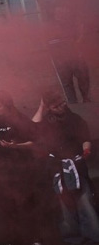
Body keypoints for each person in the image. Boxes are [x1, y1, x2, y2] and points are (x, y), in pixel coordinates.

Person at [32, 88, 99, 244]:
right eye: (55, 106)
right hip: (57, 168)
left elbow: (85, 137)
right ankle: (73, 239)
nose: (60, 106)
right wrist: (42, 106)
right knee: (65, 206)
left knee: (85, 201)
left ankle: (93, 238)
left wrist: (86, 149)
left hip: (76, 166)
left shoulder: (74, 119)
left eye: (61, 103)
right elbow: (33, 127)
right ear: (49, 108)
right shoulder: (46, 121)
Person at [0, 90, 44, 245]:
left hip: (22, 170)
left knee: (26, 205)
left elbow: (34, 143)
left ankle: (33, 240)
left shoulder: (21, 120)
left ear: (7, 104)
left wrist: (15, 146)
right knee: (7, 207)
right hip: (3, 171)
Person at [44, 0, 91, 104]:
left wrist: (79, 43)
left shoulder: (74, 8)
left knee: (82, 76)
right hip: (57, 49)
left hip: (73, 46)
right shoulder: (49, 9)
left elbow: (81, 26)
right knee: (66, 81)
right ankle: (73, 106)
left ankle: (87, 101)